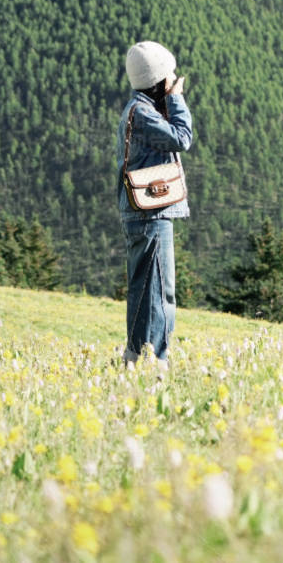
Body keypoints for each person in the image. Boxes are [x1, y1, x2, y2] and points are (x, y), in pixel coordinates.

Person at [118, 40, 194, 372]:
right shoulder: (145, 113)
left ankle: (134, 358)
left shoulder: (136, 108)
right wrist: (176, 99)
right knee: (162, 292)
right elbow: (182, 138)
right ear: (158, 81)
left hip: (140, 213)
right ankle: (157, 362)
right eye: (170, 77)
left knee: (143, 289)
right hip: (152, 214)